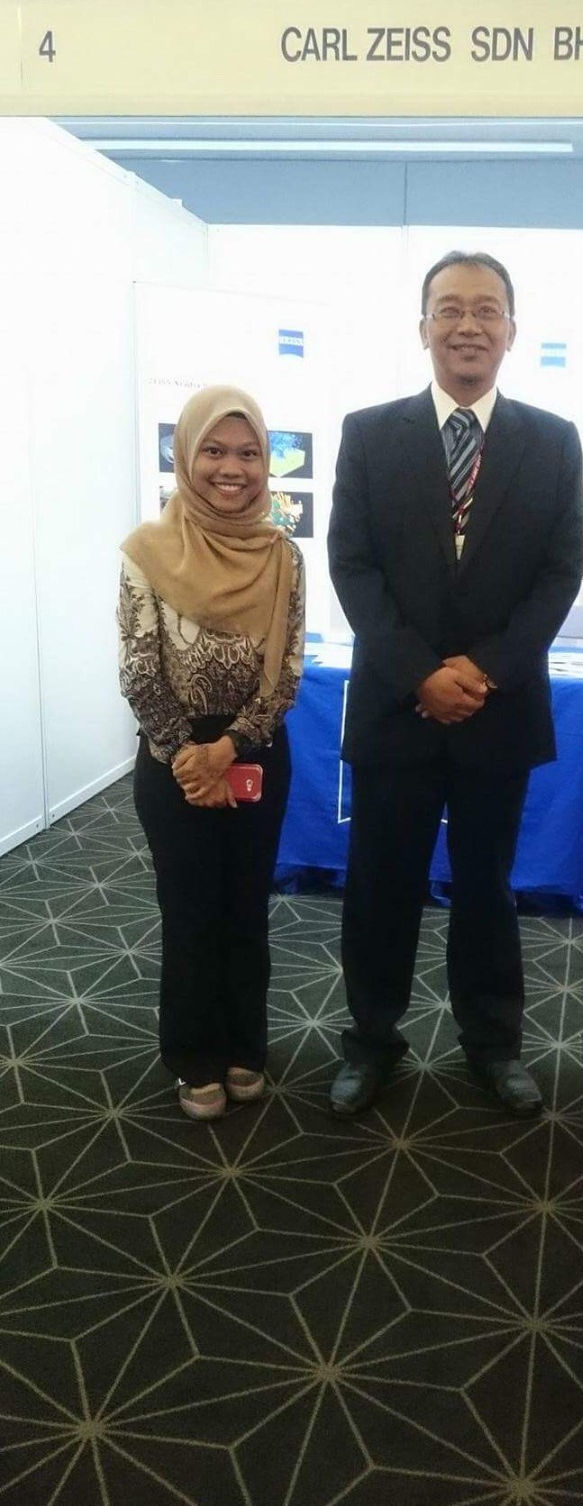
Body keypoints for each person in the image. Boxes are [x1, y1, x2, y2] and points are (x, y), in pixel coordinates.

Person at [327, 250, 583, 1117]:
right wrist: (420, 673)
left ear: (512, 330)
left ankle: (493, 1044)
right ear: (423, 327)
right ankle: (371, 1039)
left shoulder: (553, 441)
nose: (467, 324)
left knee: (487, 888)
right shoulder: (370, 433)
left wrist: (482, 669)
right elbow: (352, 566)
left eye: (485, 309)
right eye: (449, 308)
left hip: (497, 708)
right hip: (397, 707)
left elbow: (560, 572)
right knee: (380, 886)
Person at [118, 385, 305, 1121]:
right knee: (190, 911)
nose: (233, 468)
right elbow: (139, 670)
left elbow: (286, 674)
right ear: (186, 457)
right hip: (173, 760)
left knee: (245, 907)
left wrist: (228, 748)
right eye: (215, 451)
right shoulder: (147, 551)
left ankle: (244, 1045)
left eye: (249, 452)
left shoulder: (283, 556)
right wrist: (190, 759)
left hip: (255, 751)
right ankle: (193, 1055)